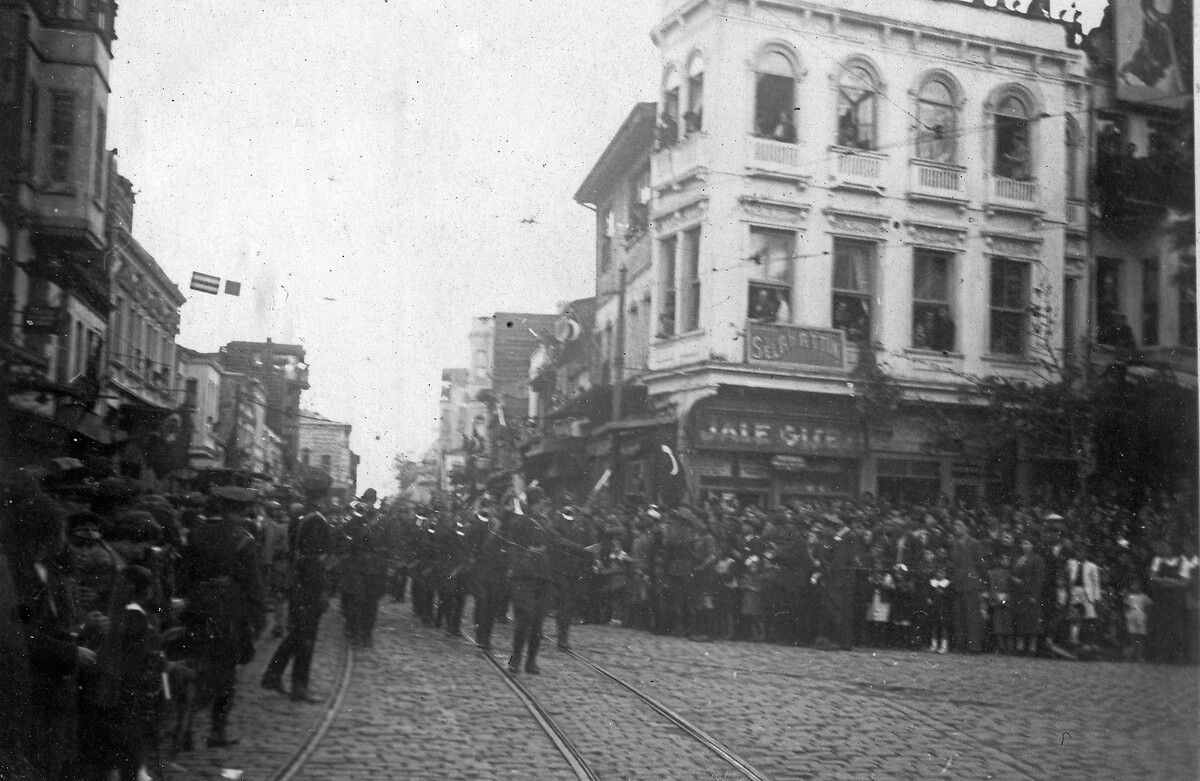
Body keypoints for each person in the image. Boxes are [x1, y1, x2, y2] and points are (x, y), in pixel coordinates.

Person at [178, 486, 265, 747]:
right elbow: (254, 584)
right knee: (225, 673)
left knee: (193, 667)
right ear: (240, 510)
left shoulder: (195, 535)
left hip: (196, 610)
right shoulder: (244, 540)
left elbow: (183, 576)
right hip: (228, 614)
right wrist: (257, 618)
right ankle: (217, 731)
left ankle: (185, 731)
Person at [262, 471, 332, 702]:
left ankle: (273, 674)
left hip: (297, 582)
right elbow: (314, 560)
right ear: (324, 495)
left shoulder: (299, 515)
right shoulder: (317, 520)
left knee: (298, 633)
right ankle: (299, 686)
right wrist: (323, 589)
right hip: (309, 585)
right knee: (307, 636)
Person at [1010, 537, 1046, 655]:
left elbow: (1039, 579)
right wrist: (1014, 579)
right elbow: (1013, 573)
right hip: (1019, 593)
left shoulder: (1037, 559)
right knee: (1021, 619)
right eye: (1022, 543)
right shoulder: (1018, 559)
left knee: (1033, 620)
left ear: (1032, 546)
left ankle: (1032, 647)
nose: (1023, 546)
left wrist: (1035, 595)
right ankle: (1020, 646)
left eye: (1026, 543)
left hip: (1030, 591)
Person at [1123, 578, 1152, 662]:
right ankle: (1132, 656)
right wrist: (1127, 616)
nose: (1136, 586)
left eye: (1137, 584)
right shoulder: (1129, 596)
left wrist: (1147, 616)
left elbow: (1149, 607)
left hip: (1141, 618)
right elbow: (1125, 606)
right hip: (1132, 617)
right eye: (1134, 584)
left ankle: (1140, 656)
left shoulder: (1144, 597)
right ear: (1131, 586)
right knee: (1133, 638)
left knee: (1141, 638)